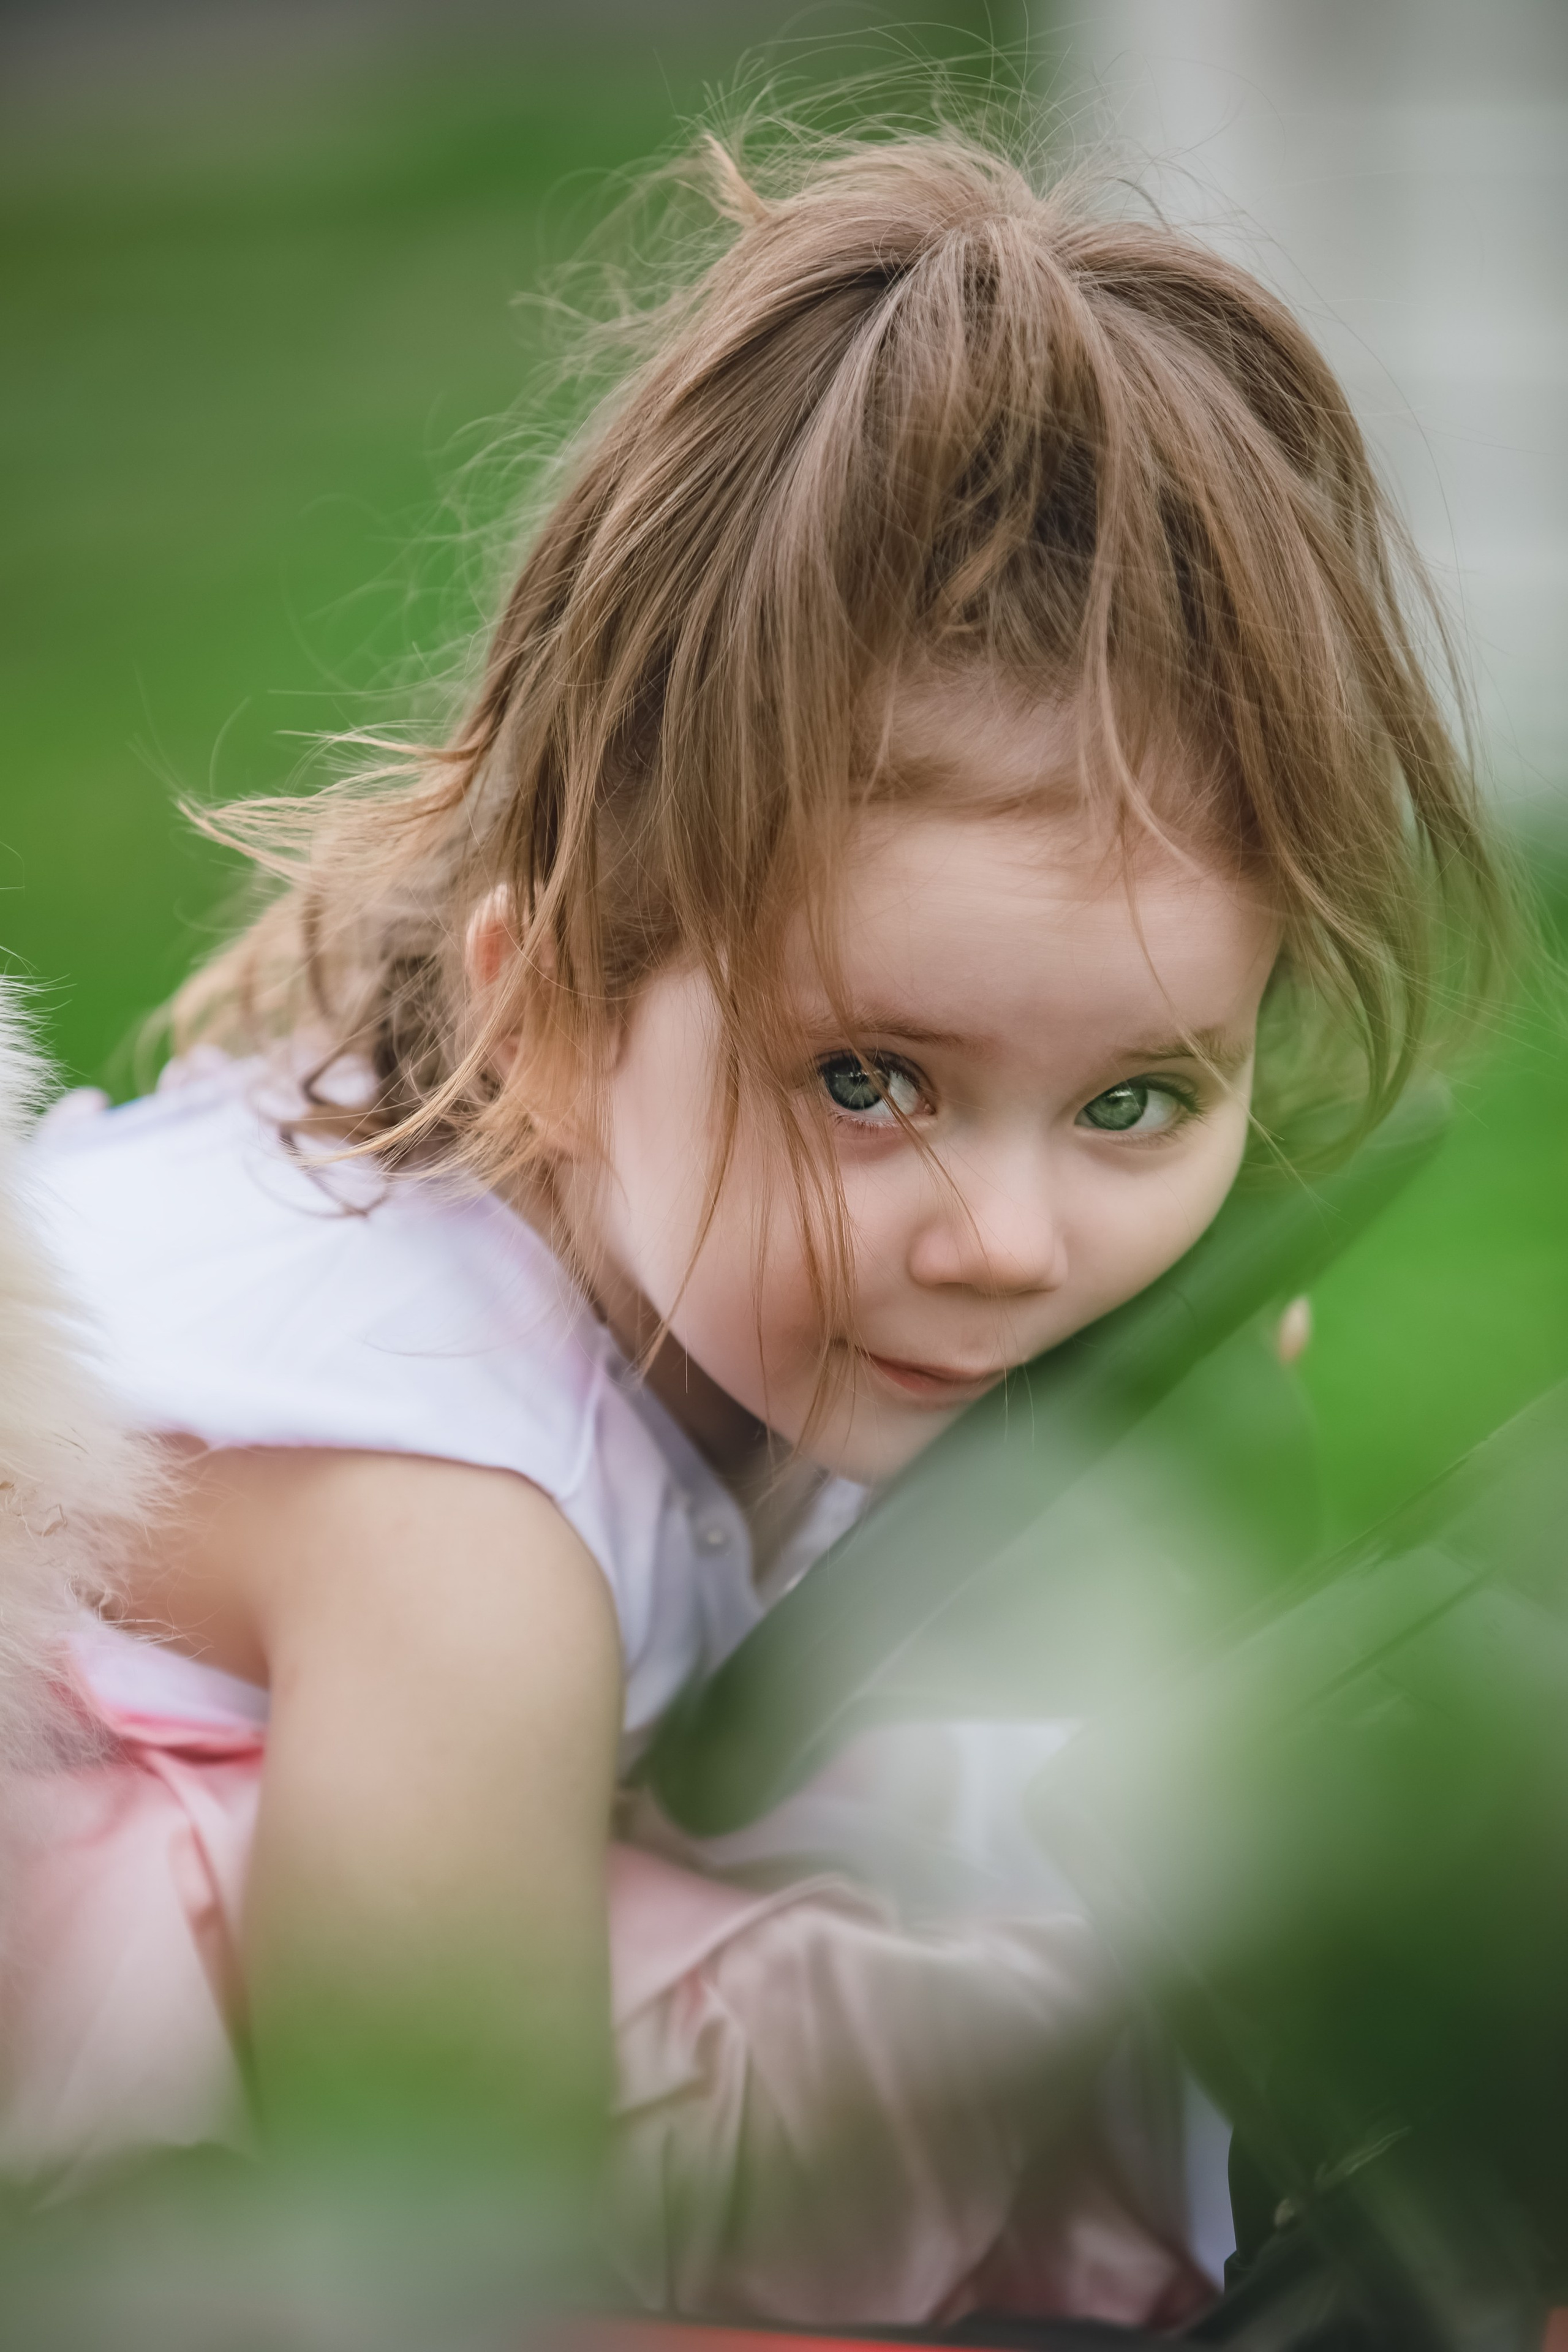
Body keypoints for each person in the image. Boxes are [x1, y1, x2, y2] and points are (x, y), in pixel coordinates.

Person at [2, 119, 1506, 2334]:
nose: (1007, 1241)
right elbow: (424, 2283)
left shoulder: (660, 1211)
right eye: (869, 1081)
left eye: (1136, 1098)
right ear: (556, 1013)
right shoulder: (455, 1555)